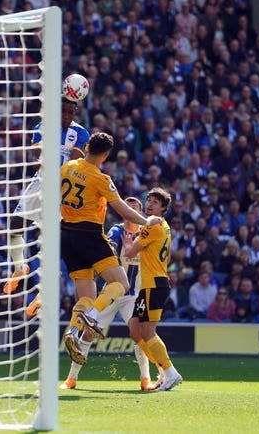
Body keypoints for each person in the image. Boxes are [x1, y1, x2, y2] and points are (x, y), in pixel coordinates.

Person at [59, 132, 162, 366]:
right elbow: (122, 210)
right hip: (89, 234)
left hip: (66, 234)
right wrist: (147, 221)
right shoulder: (100, 178)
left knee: (86, 295)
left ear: (86, 147)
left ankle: (72, 330)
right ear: (105, 155)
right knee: (122, 283)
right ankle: (92, 316)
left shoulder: (66, 167)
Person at [60, 197, 157, 391]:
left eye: (135, 207)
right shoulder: (116, 231)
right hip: (112, 293)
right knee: (88, 334)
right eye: (128, 207)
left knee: (140, 334)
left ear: (140, 213)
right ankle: (71, 378)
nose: (131, 210)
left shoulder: (145, 234)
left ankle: (146, 379)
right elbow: (107, 252)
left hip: (133, 296)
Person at [3, 95, 90, 301]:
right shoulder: (43, 126)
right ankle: (19, 267)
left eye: (72, 112)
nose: (68, 116)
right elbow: (37, 159)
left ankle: (45, 293)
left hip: (63, 191)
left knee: (52, 242)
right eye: (64, 111)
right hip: (40, 184)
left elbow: (75, 163)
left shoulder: (80, 133)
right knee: (14, 226)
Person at [124, 187, 182, 392]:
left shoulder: (151, 226)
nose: (149, 204)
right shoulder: (165, 227)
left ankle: (170, 372)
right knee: (133, 327)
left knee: (147, 331)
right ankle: (164, 371)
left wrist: (128, 242)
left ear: (163, 208)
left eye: (155, 202)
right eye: (148, 200)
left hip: (153, 284)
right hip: (153, 283)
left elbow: (130, 253)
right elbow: (166, 257)